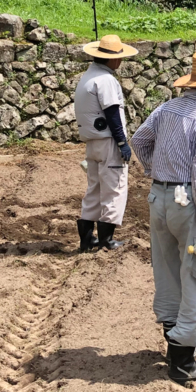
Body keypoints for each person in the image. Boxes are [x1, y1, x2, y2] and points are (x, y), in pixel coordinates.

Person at [131, 48, 196, 383]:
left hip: (159, 197)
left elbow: (138, 140)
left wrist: (156, 170)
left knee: (167, 271)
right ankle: (182, 360)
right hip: (190, 203)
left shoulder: (168, 108)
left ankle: (172, 337)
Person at [73, 34, 139, 252]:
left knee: (94, 188)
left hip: (91, 142)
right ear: (111, 59)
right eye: (119, 57)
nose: (120, 61)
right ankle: (106, 239)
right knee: (115, 188)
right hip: (108, 141)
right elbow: (112, 113)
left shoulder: (87, 78)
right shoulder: (107, 80)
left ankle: (87, 238)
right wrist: (122, 142)